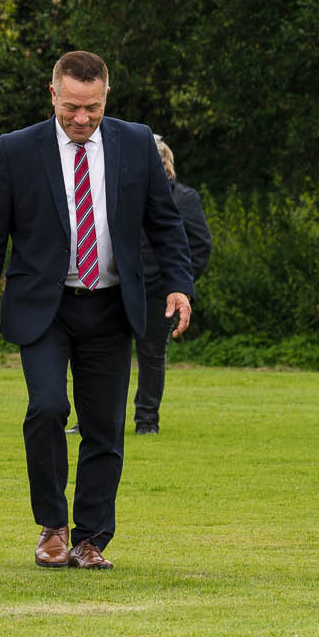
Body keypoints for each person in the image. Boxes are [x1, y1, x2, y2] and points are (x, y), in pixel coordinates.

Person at [0, 50, 192, 570]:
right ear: (53, 95)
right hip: (45, 307)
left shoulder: (136, 143)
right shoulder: (17, 150)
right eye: (71, 107)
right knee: (46, 409)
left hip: (113, 307)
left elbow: (165, 223)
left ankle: (91, 540)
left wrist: (179, 285)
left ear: (106, 96)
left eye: (91, 108)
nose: (82, 118)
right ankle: (52, 527)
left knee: (105, 426)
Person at [133, 135, 211, 433]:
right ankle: (91, 420)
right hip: (120, 286)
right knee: (101, 354)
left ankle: (147, 421)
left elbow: (201, 244)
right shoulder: (124, 194)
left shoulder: (183, 198)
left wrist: (179, 285)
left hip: (158, 291)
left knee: (152, 355)